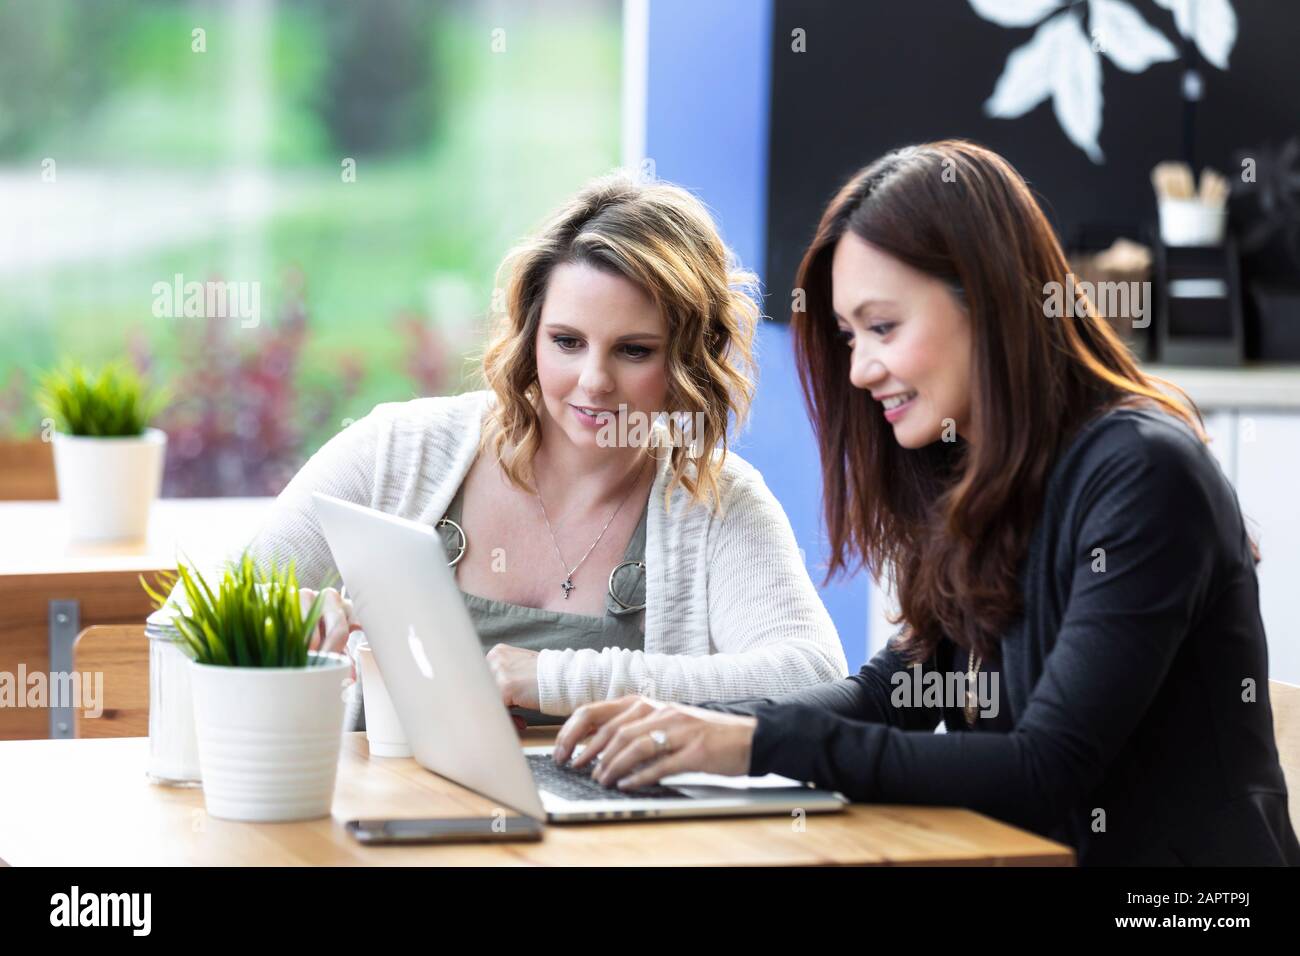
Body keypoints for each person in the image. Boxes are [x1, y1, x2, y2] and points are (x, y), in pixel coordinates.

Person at [551, 141, 1300, 866]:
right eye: (848, 337)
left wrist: (750, 745)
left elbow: (1044, 770)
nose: (860, 370)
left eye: (883, 327)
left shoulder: (1142, 473)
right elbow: (892, 695)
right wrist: (696, 729)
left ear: (992, 299)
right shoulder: (972, 468)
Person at [246, 172, 847, 729]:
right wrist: (282, 617)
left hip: (614, 842)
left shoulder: (717, 503)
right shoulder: (400, 451)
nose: (593, 380)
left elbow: (811, 675)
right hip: (383, 833)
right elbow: (203, 611)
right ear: (530, 333)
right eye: (566, 341)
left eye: (634, 350)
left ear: (687, 360)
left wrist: (554, 679)